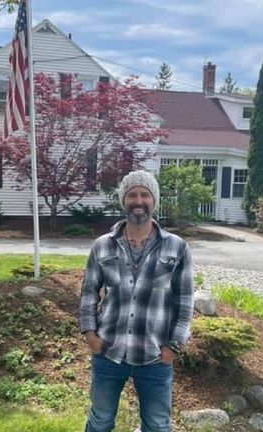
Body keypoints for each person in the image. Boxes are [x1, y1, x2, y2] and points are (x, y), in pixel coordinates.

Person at [79, 169, 194, 432]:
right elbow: (88, 293)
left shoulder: (177, 247)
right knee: (100, 421)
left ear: (154, 201)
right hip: (109, 353)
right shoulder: (102, 246)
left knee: (157, 425)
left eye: (145, 195)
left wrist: (174, 347)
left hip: (155, 356)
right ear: (123, 200)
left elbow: (185, 303)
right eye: (132, 195)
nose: (138, 201)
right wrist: (90, 336)